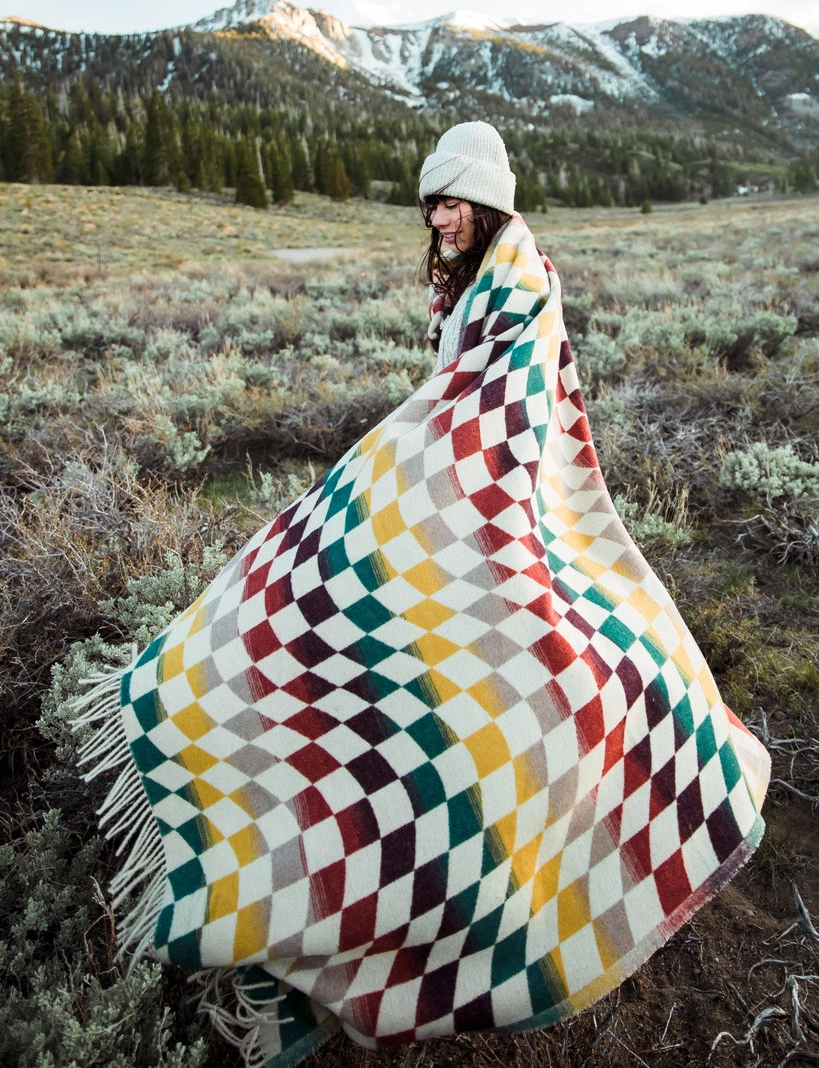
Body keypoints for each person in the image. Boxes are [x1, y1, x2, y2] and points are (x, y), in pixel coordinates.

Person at [77, 121, 769, 1066]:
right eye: (431, 203)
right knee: (323, 586)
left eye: (454, 201)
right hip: (454, 478)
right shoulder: (462, 283)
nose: (440, 217)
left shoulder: (523, 281)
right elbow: (447, 396)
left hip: (506, 488)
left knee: (528, 656)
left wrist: (436, 467)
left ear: (490, 204)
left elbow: (509, 402)